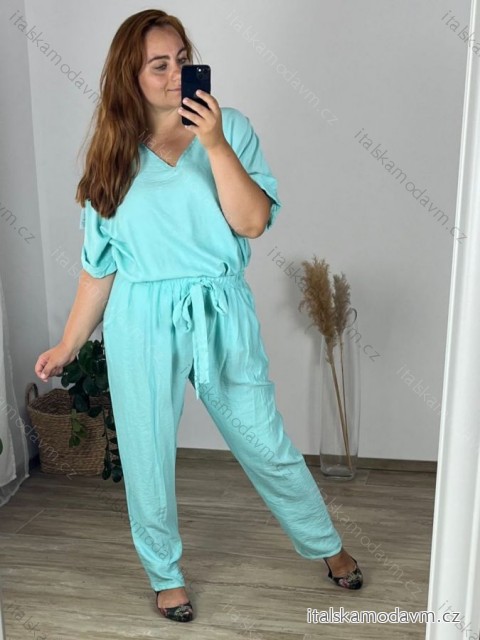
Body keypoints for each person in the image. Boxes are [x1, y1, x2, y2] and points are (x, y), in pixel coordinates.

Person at [34, 9, 363, 624]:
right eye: (159, 65)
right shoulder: (112, 156)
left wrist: (212, 143)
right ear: (130, 76)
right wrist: (69, 343)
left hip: (217, 305)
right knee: (146, 452)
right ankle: (166, 575)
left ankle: (327, 545)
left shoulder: (230, 128)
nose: (175, 74)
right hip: (141, 313)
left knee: (264, 440)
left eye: (183, 60)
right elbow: (98, 269)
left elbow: (253, 222)